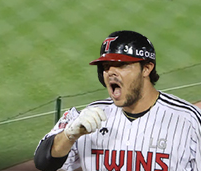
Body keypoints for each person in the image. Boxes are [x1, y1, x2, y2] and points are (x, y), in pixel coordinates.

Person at [34, 30, 201, 171]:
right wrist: (70, 135)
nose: (111, 72)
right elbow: (43, 162)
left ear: (147, 68)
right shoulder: (88, 118)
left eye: (121, 65)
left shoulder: (188, 120)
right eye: (106, 66)